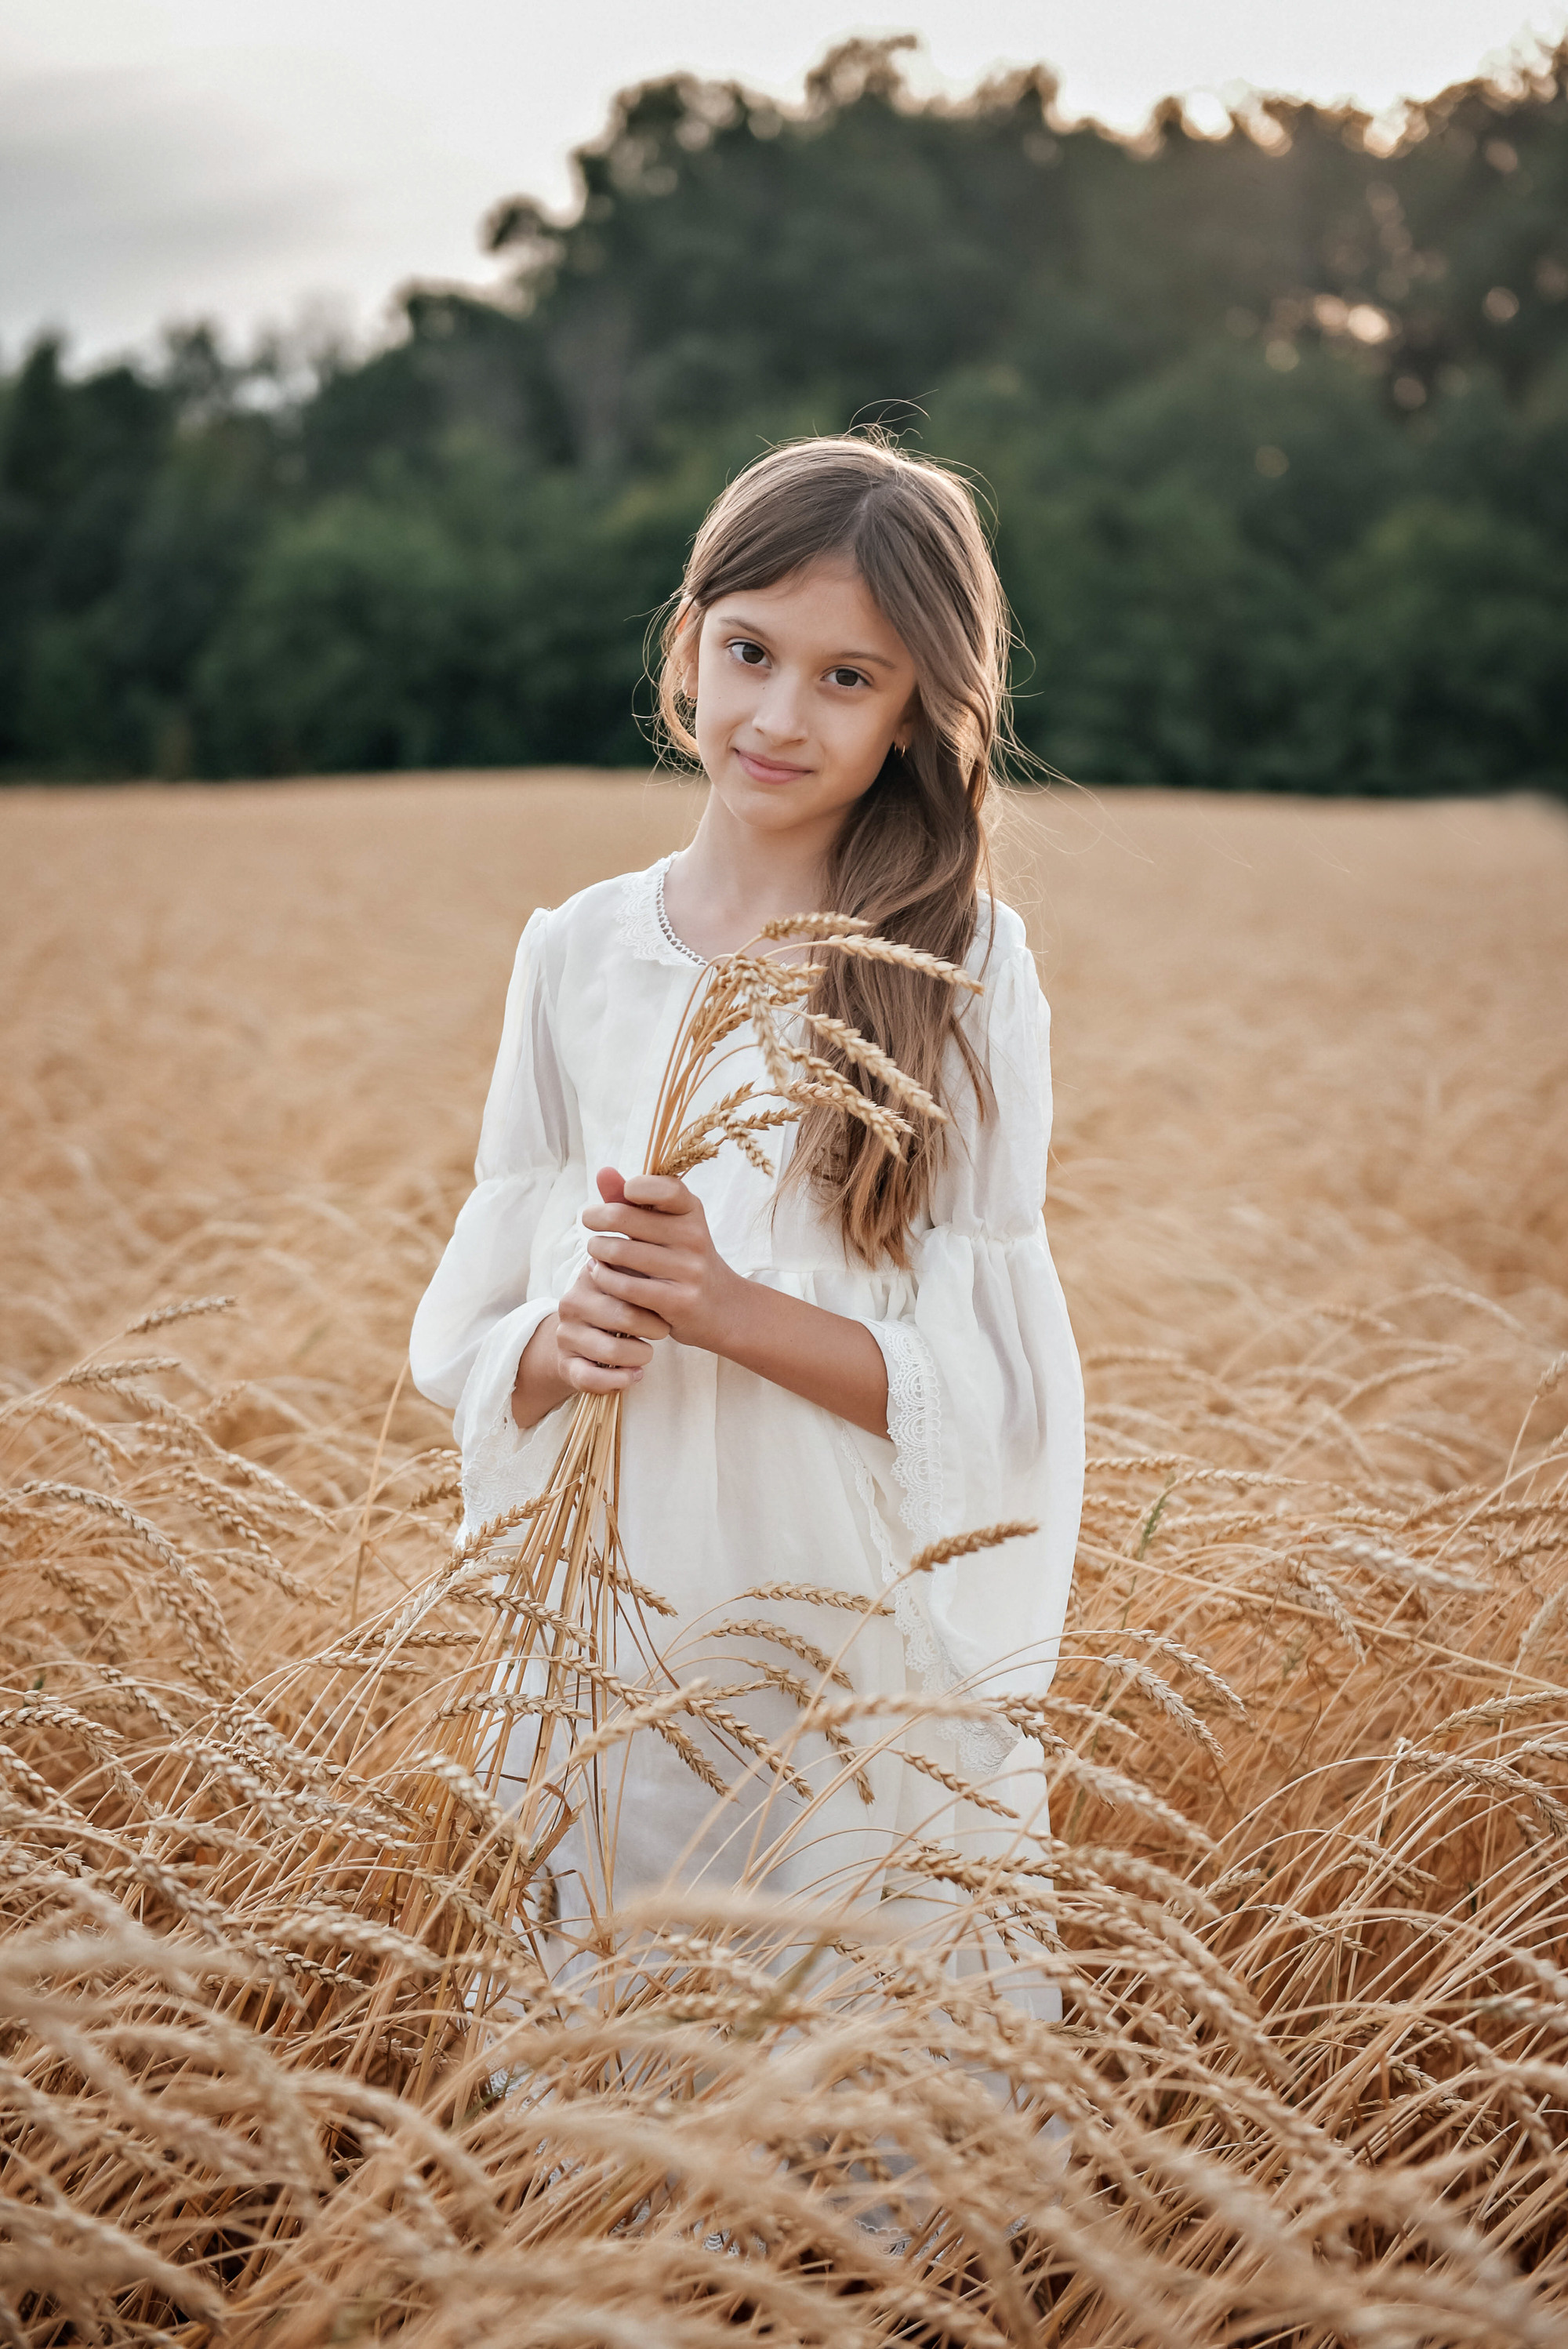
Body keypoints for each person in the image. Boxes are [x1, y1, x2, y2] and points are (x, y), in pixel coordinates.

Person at [408, 435, 1083, 1987]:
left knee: (857, 2082)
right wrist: (548, 1337)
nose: (780, 713)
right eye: (751, 651)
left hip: (851, 1644)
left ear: (919, 709)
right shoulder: (574, 954)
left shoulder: (958, 971)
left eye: (850, 678)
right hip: (620, 1635)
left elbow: (1000, 1393)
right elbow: (480, 1325)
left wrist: (730, 1311)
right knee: (617, 2070)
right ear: (685, 645)